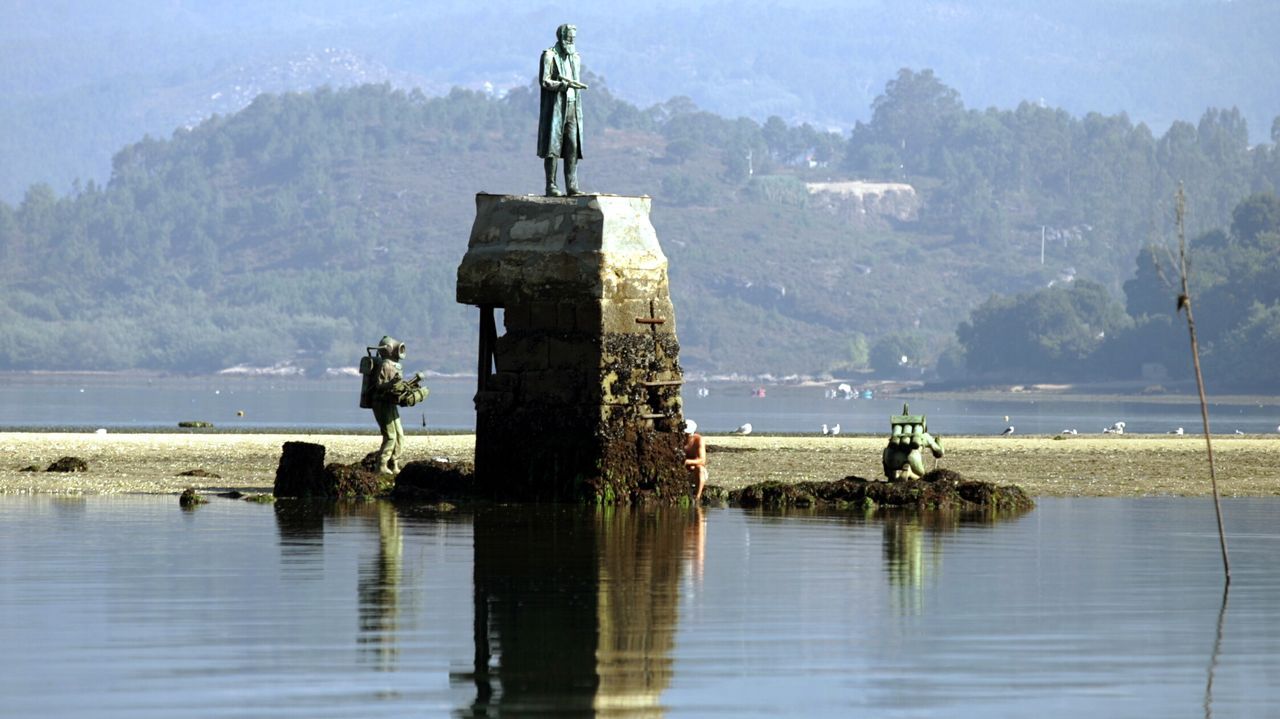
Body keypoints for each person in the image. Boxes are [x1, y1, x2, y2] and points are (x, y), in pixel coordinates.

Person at [537, 23, 588, 196]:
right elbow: (545, 81)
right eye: (569, 38)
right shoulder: (549, 56)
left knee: (572, 146)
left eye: (573, 39)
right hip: (557, 107)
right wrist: (561, 86)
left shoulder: (575, 58)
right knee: (553, 146)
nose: (571, 41)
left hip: (573, 108)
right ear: (561, 37)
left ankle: (572, 186)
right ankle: (551, 185)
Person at [371, 336, 408, 475]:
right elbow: (378, 386)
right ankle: (381, 465)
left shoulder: (395, 365)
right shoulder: (385, 364)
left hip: (390, 402)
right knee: (390, 436)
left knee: (399, 435)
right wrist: (391, 384)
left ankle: (394, 463)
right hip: (381, 403)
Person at [684, 419, 707, 503]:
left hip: (695, 470)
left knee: (700, 469)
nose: (686, 435)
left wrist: (687, 462)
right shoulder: (679, 439)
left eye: (688, 434)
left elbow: (702, 460)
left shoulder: (699, 440)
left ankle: (697, 497)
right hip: (683, 469)